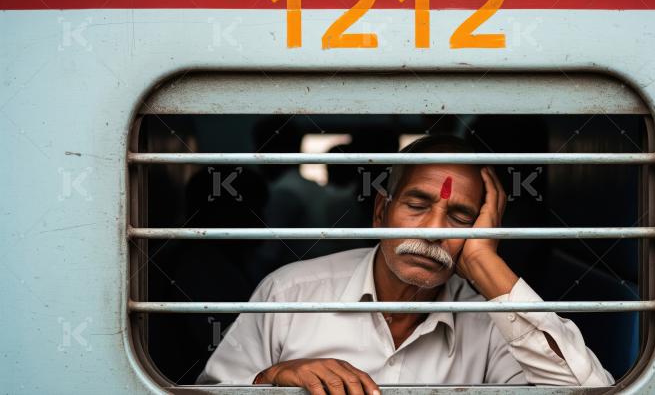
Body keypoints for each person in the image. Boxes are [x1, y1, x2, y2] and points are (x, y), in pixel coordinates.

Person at [197, 135, 614, 391]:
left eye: (460, 217)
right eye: (416, 206)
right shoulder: (289, 295)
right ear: (381, 212)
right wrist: (270, 379)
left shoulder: (494, 325)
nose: (433, 230)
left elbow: (591, 390)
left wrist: (485, 261)